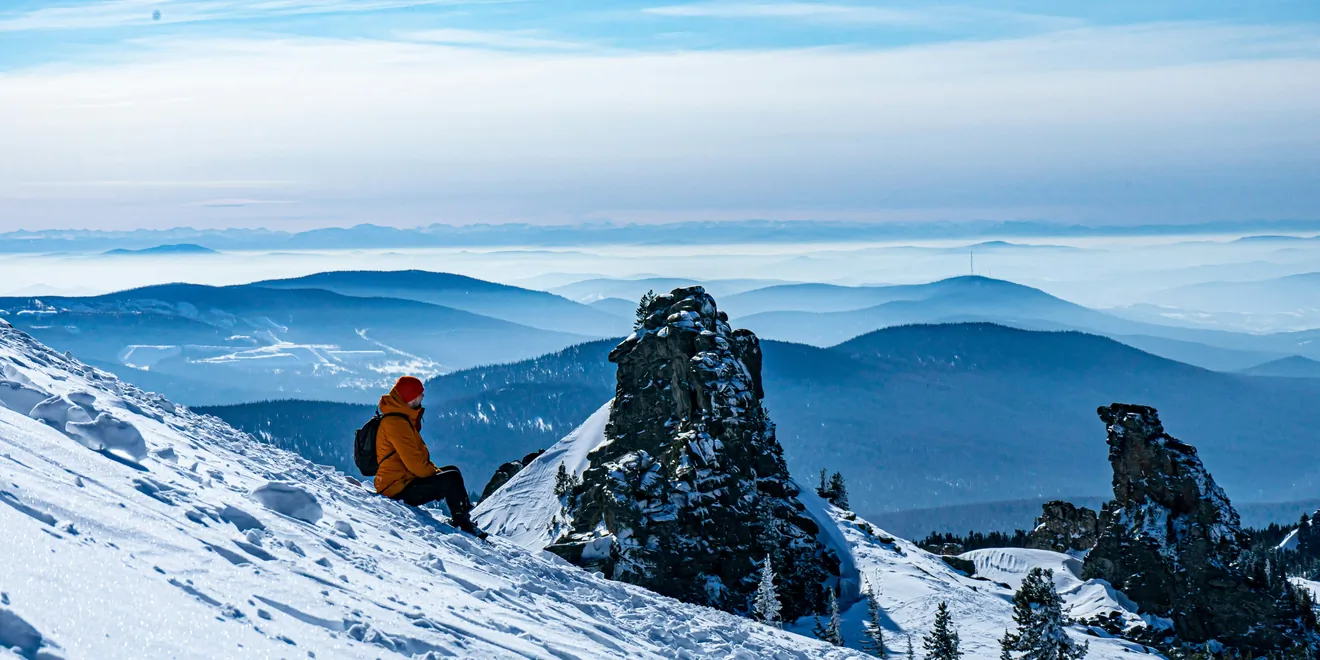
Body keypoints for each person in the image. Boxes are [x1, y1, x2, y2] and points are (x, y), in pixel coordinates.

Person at [373, 375, 483, 537]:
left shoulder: (401, 418)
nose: (423, 396)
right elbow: (415, 464)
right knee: (451, 478)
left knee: (452, 471)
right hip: (396, 488)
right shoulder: (396, 424)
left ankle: (464, 515)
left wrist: (437, 474)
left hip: (403, 480)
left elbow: (415, 461)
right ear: (410, 397)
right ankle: (463, 524)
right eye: (419, 394)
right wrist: (437, 477)